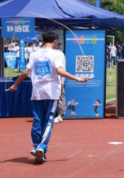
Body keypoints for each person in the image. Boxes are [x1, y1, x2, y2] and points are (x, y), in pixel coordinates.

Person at [8, 31, 88, 164]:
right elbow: (60, 71)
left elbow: (25, 72)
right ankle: (41, 147)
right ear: (55, 41)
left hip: (37, 92)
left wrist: (15, 85)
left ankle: (36, 147)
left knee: (37, 120)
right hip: (51, 92)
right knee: (48, 121)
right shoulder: (57, 54)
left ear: (43, 41)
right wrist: (78, 79)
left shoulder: (35, 54)